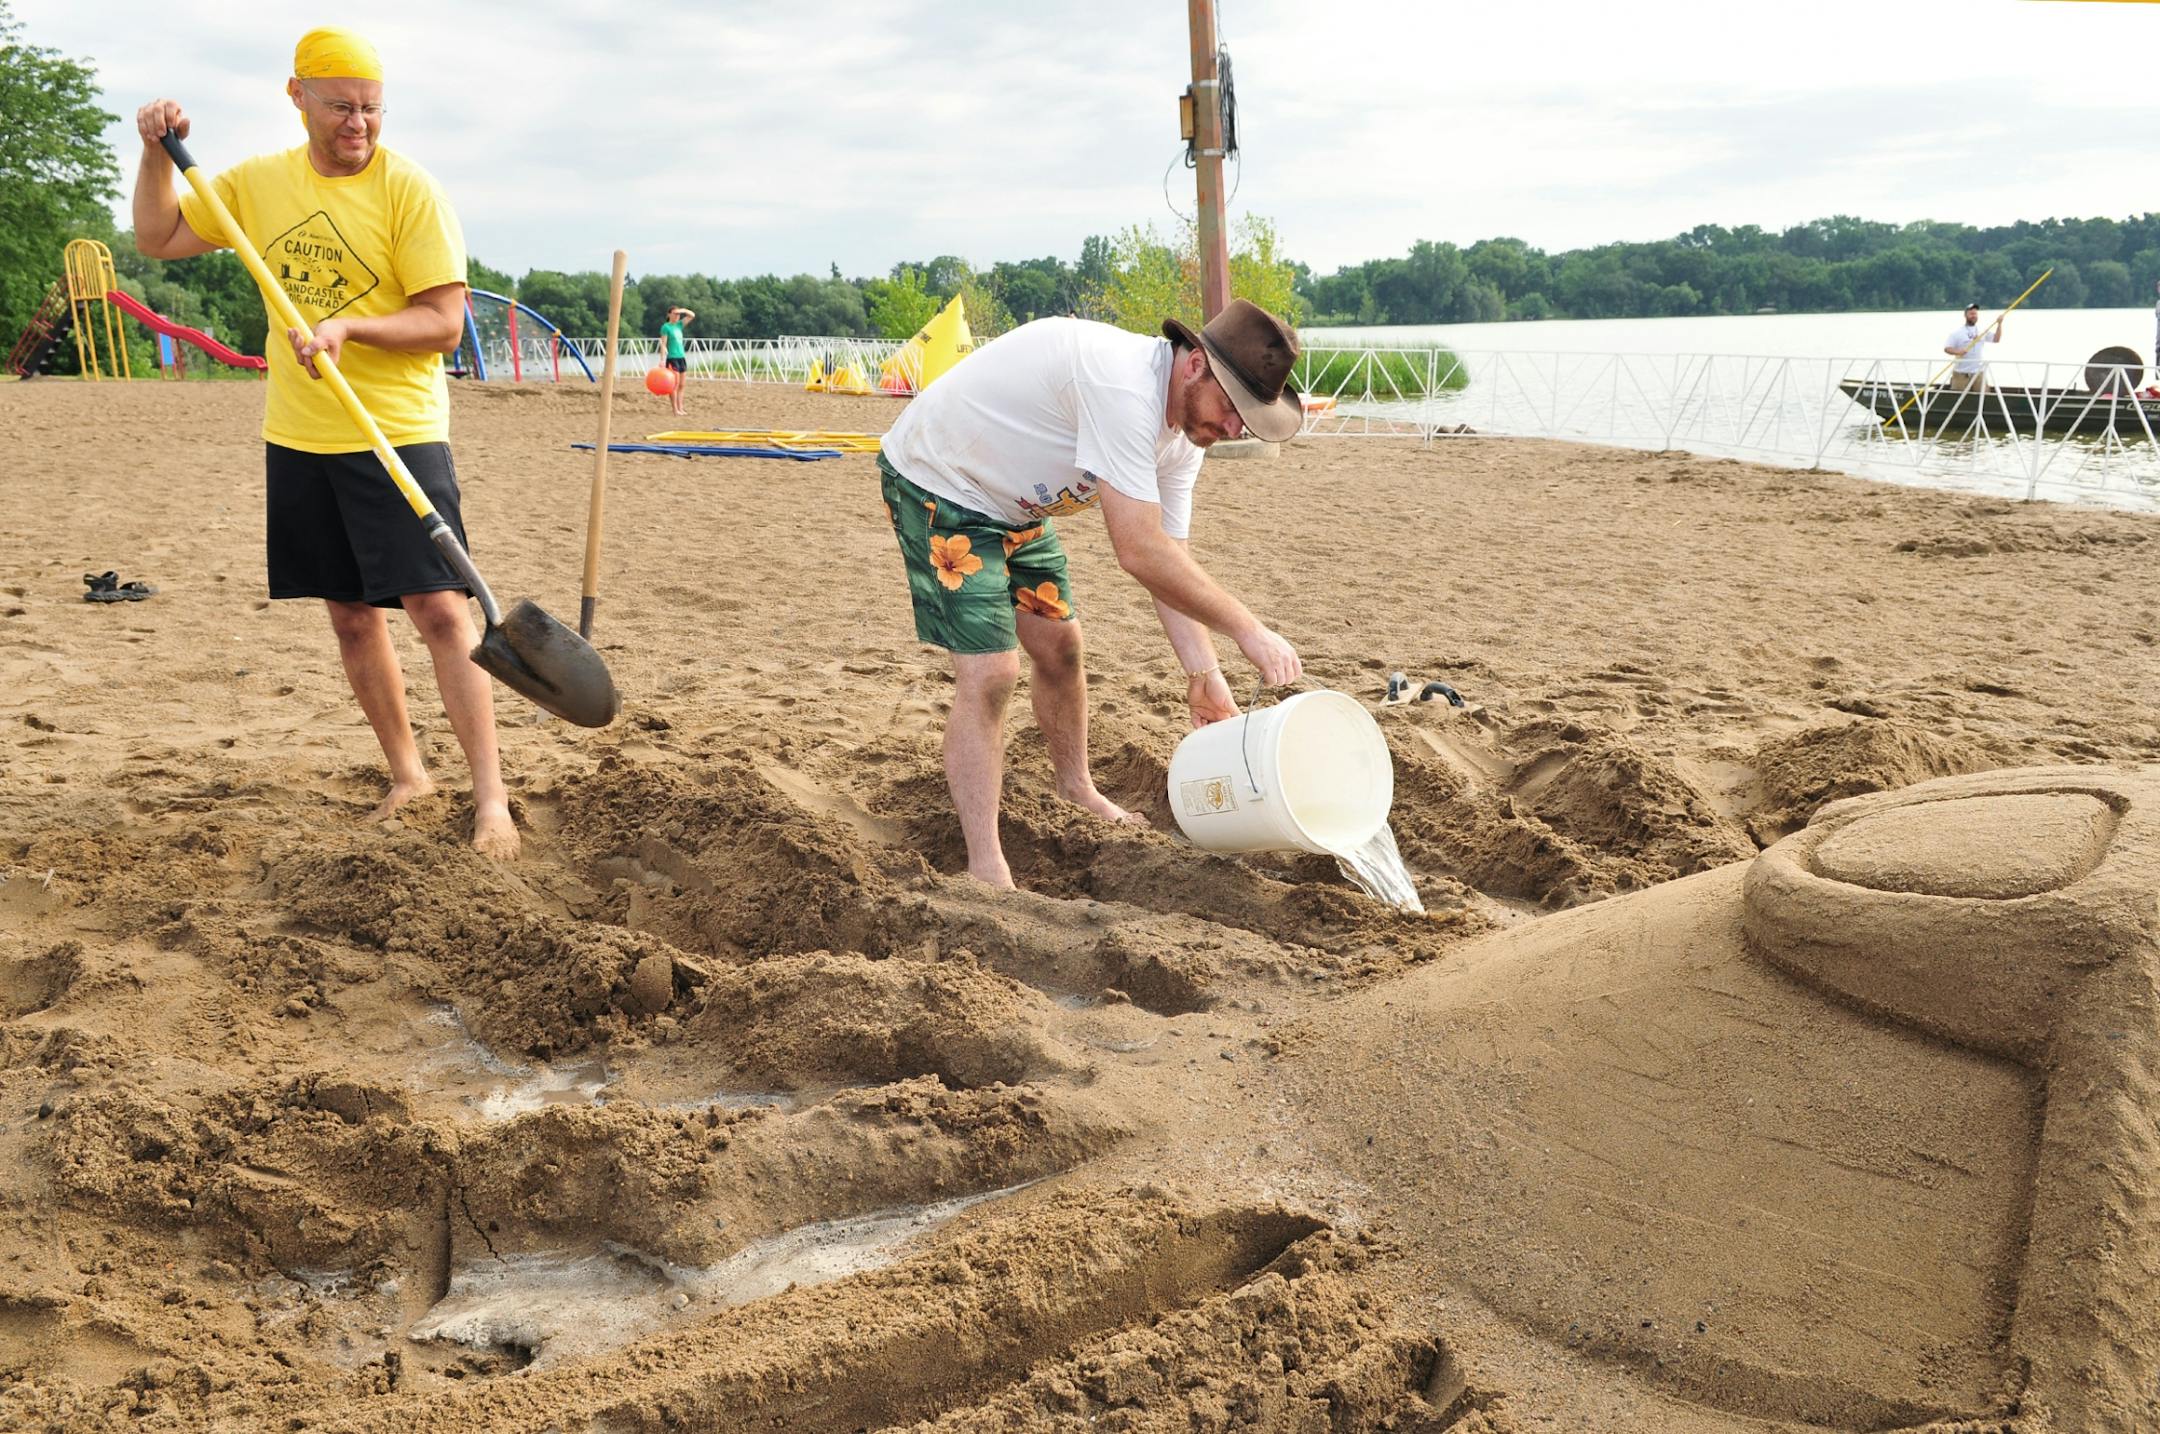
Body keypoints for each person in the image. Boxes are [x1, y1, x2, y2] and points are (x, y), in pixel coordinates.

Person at [131, 28, 520, 860]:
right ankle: (409, 774)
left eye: (372, 109)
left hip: (396, 431)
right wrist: (158, 153)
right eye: (341, 106)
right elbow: (159, 238)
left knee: (441, 613)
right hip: (301, 434)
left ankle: (492, 800)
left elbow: (446, 323)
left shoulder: (409, 190)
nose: (359, 124)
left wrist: (350, 325)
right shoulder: (259, 184)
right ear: (297, 95)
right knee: (349, 616)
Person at [877, 299, 1305, 891]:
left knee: (1061, 649)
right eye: (1234, 407)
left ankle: (1075, 786)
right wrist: (1248, 629)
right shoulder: (1123, 387)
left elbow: (1166, 562)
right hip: (941, 481)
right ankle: (985, 863)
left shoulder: (1185, 436)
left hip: (1015, 503)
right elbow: (1136, 549)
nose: (1236, 430)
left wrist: (1202, 671)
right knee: (993, 674)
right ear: (1196, 365)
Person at [1944, 302, 2001, 393]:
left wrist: (1999, 324)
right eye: (1971, 313)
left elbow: (1996, 339)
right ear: (1965, 315)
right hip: (1961, 372)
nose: (1973, 316)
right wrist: (1958, 352)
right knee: (1957, 398)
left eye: (1975, 313)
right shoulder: (1957, 333)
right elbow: (1947, 348)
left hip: (1978, 372)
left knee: (1984, 396)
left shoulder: (1982, 331)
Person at [659, 305, 695, 417]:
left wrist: (683, 310)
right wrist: (662, 359)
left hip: (681, 357)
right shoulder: (666, 327)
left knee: (682, 385)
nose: (677, 316)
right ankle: (675, 409)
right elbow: (663, 344)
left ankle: (681, 408)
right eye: (674, 313)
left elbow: (692, 315)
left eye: (678, 314)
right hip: (672, 358)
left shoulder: (679, 325)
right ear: (669, 314)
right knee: (675, 384)